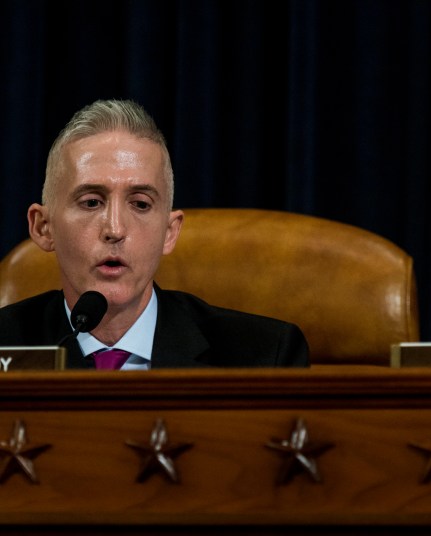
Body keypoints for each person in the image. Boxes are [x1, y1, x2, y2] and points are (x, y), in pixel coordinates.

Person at [0, 99, 309, 369]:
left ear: (170, 233)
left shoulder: (265, 356)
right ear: (43, 227)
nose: (115, 230)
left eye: (140, 204)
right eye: (92, 202)